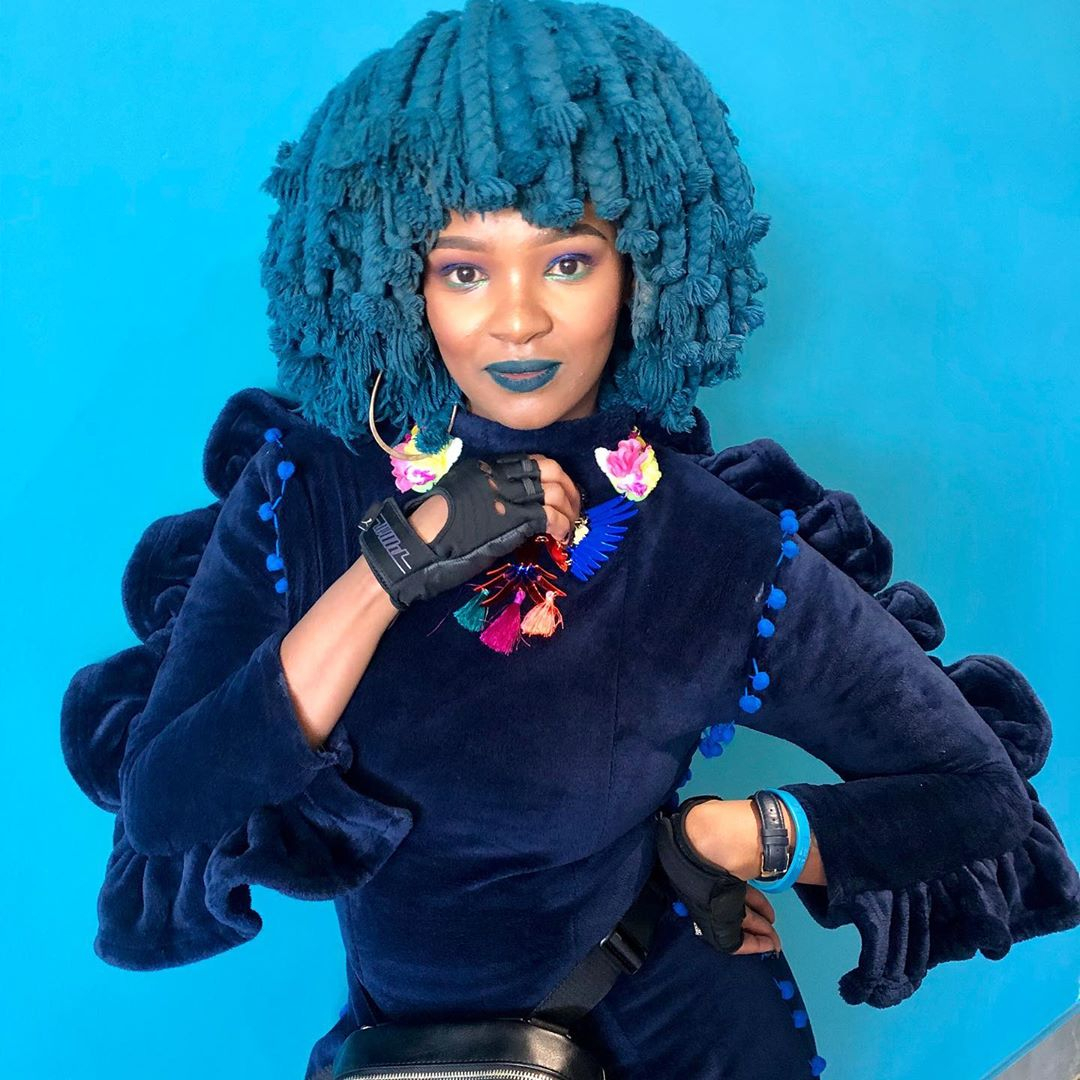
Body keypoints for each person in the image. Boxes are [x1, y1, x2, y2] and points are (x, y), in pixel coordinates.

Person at [60, 1, 1080, 1077]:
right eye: (465, 269)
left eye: (567, 261)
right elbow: (166, 805)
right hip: (415, 1054)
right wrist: (393, 570)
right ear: (402, 275)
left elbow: (976, 797)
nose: (518, 320)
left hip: (682, 1043)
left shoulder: (709, 550)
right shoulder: (305, 495)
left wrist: (744, 836)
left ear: (641, 266)